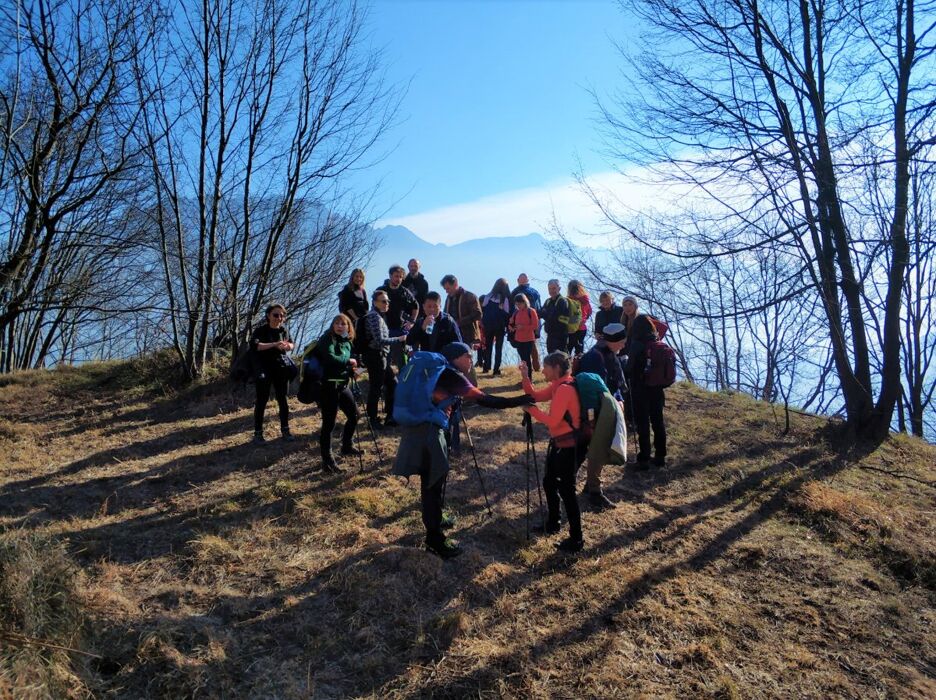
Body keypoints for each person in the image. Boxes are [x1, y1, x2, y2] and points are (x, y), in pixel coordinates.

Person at [392, 342, 533, 558]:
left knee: (430, 481)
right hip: (430, 434)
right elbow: (486, 400)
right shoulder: (451, 374)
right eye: (468, 355)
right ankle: (435, 540)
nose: (471, 360)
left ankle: (437, 519)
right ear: (457, 357)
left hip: (417, 430)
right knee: (432, 484)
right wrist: (522, 400)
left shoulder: (435, 372)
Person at [520, 351, 588, 553]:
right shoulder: (559, 385)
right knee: (550, 482)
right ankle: (553, 523)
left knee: (567, 490)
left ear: (556, 368)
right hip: (560, 443)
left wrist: (530, 410)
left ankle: (576, 540)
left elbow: (553, 420)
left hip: (570, 446)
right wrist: (525, 376)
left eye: (546, 367)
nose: (542, 370)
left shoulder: (565, 389)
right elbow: (535, 396)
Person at [574, 322, 628, 510]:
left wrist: (618, 398)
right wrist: (591, 416)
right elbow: (592, 387)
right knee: (587, 449)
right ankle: (585, 489)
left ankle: (590, 488)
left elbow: (614, 385)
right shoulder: (594, 357)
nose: (623, 345)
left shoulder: (610, 355)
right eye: (621, 341)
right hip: (595, 410)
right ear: (612, 341)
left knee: (597, 450)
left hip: (606, 408)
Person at [622, 296, 667, 470]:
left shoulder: (637, 343)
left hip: (641, 387)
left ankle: (644, 459)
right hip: (657, 388)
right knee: (658, 421)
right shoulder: (657, 342)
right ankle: (661, 457)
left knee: (643, 423)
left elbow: (630, 366)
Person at [313, 314, 361, 473]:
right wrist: (348, 362)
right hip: (328, 386)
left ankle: (347, 446)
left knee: (354, 415)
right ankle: (327, 462)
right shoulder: (327, 338)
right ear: (332, 326)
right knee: (329, 424)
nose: (340, 326)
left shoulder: (346, 342)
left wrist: (351, 371)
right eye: (337, 323)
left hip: (342, 385)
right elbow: (330, 359)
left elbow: (343, 364)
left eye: (344, 324)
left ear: (348, 327)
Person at [250, 304, 296, 444]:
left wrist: (288, 346)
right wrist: (275, 344)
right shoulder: (260, 330)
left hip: (281, 368)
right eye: (276, 315)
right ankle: (258, 433)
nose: (279, 318)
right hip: (264, 368)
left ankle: (285, 430)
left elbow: (292, 344)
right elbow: (256, 346)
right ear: (268, 315)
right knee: (262, 401)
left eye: (282, 315)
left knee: (283, 400)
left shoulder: (283, 330)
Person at [360, 290, 406, 429]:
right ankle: (373, 420)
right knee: (377, 387)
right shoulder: (374, 317)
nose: (387, 304)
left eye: (388, 301)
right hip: (375, 356)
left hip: (379, 356)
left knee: (392, 384)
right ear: (375, 302)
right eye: (383, 301)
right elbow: (379, 340)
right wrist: (399, 339)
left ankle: (389, 417)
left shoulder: (378, 316)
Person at [378, 265, 419, 370]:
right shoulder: (381, 290)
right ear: (390, 276)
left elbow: (416, 306)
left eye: (401, 277)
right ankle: (386, 382)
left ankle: (402, 382)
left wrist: (412, 322)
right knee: (384, 359)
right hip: (383, 329)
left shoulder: (405, 292)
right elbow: (374, 307)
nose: (398, 279)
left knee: (402, 359)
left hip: (399, 329)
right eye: (396, 276)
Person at [511, 273, 543, 371]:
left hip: (520, 326)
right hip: (533, 323)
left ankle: (527, 371)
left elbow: (512, 310)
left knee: (523, 350)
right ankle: (536, 367)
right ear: (528, 281)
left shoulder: (515, 292)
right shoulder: (535, 292)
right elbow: (539, 308)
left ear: (518, 280)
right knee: (533, 346)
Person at [480, 278, 512, 376]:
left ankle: (486, 366)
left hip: (488, 325)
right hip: (499, 326)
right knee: (498, 348)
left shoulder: (488, 297)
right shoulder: (505, 299)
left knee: (488, 346)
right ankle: (496, 369)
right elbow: (507, 313)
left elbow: (483, 309)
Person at [509, 293, 539, 379]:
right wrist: (511, 326)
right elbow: (511, 324)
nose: (518, 306)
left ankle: (529, 379)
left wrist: (523, 327)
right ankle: (525, 379)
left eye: (520, 303)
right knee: (523, 360)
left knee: (527, 360)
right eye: (516, 304)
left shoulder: (531, 311)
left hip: (528, 339)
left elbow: (535, 325)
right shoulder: (516, 312)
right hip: (518, 339)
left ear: (525, 302)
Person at [540, 279, 571, 354]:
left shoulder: (562, 301)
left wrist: (546, 314)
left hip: (560, 335)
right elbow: (541, 314)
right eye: (549, 288)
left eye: (554, 288)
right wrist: (547, 314)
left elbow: (554, 317)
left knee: (560, 358)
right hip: (550, 334)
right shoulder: (548, 301)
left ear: (559, 288)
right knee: (551, 357)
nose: (551, 291)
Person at [567, 280, 592, 356]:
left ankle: (568, 366)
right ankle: (579, 366)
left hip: (571, 328)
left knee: (568, 349)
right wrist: (583, 319)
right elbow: (589, 312)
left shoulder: (568, 300)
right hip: (582, 327)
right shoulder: (585, 300)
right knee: (579, 350)